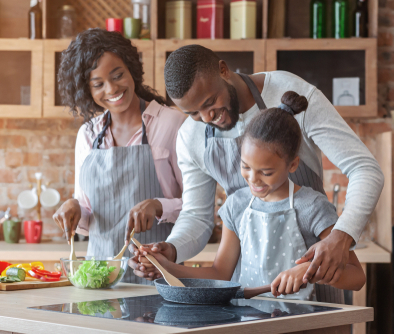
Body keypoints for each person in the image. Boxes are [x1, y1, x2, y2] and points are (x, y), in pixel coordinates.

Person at [130, 45, 383, 302]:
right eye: (193, 113)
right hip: (250, 295)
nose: (207, 117)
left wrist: (341, 237)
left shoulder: (290, 93)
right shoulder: (191, 138)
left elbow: (365, 168)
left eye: (210, 102)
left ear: (224, 70)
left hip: (319, 279)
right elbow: (197, 216)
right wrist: (170, 252)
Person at [53, 28, 186, 284]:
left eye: (118, 75)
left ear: (131, 69)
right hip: (99, 280)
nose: (112, 88)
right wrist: (74, 206)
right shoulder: (88, 135)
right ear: (86, 90)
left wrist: (158, 205)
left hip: (159, 274)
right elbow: (88, 210)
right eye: (98, 84)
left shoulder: (172, 124)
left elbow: (197, 209)